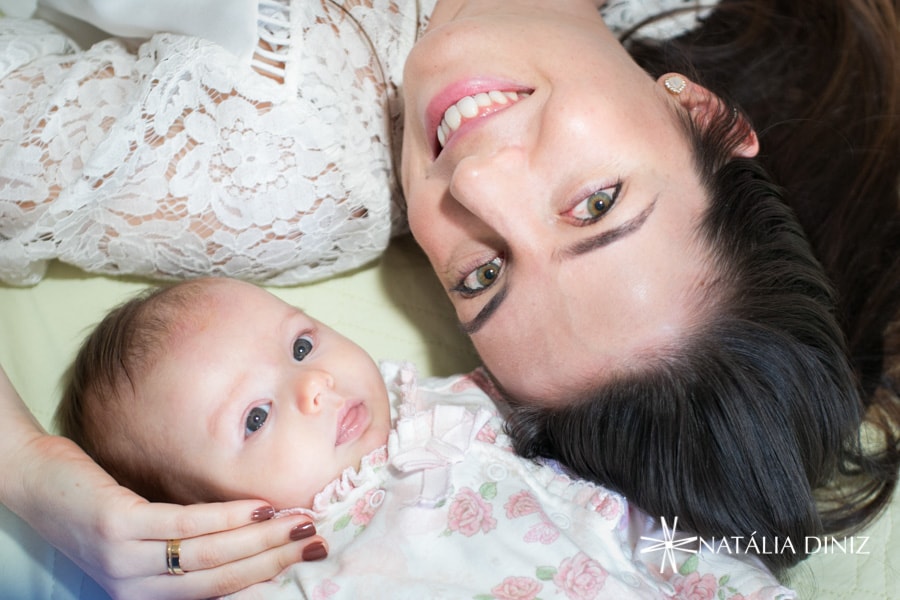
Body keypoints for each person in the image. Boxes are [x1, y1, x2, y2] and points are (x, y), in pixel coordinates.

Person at [0, 0, 898, 597]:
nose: (477, 179)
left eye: (482, 277)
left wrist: (30, 474)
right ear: (700, 110)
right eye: (597, 204)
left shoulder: (276, 168)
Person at [56, 275, 796, 599]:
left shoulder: (458, 396)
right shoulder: (280, 570)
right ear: (203, 518)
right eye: (256, 417)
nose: (312, 385)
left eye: (302, 346)